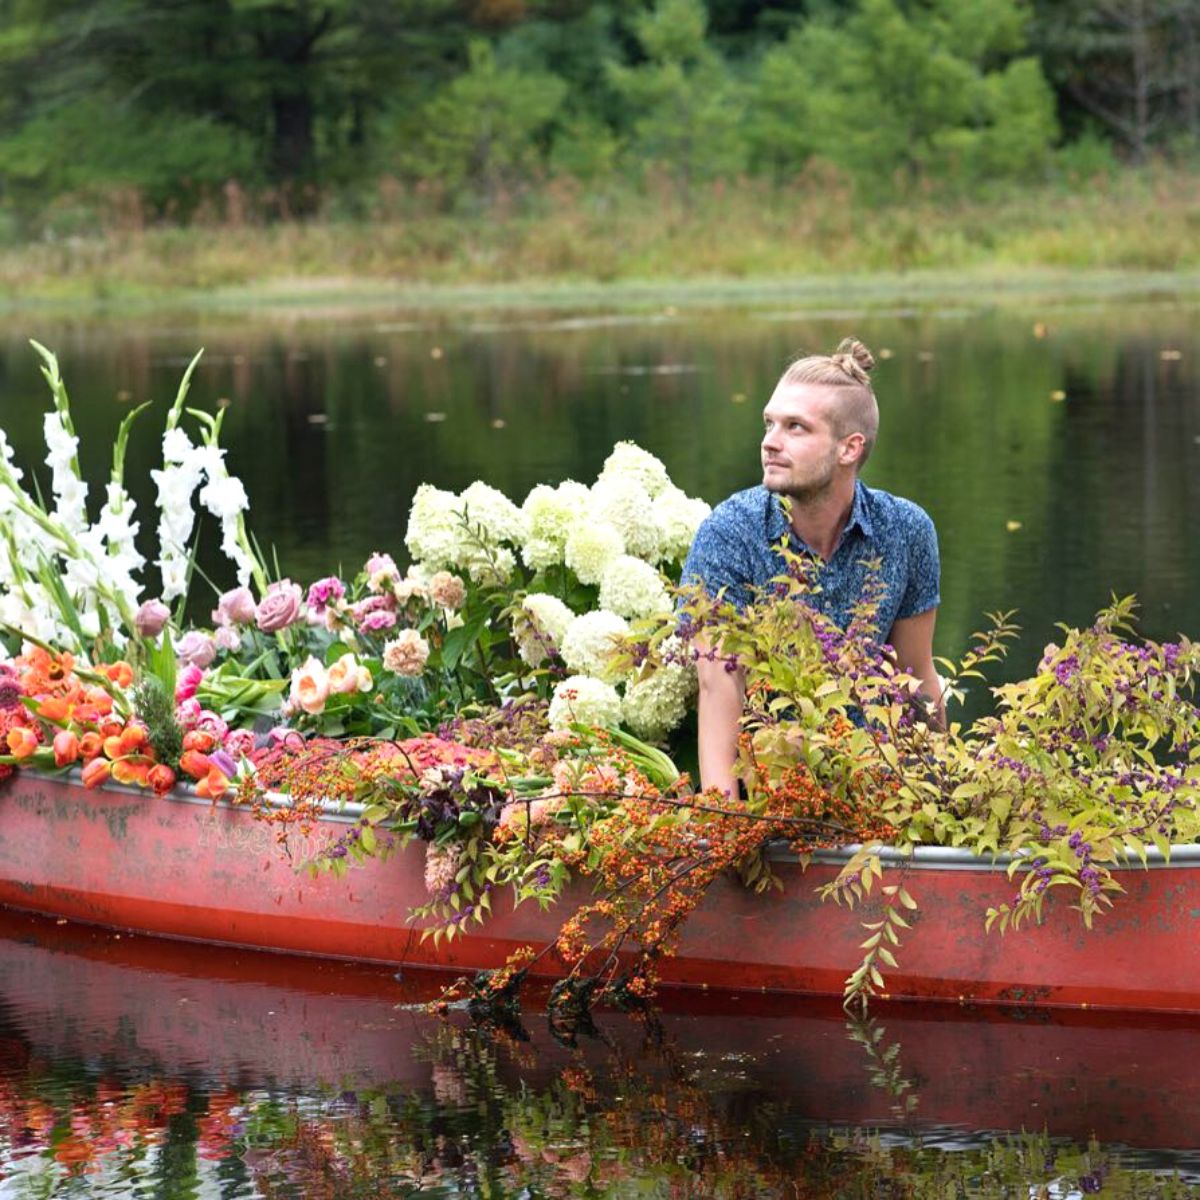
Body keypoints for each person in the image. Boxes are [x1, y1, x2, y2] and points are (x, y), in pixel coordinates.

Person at [681, 337, 942, 798]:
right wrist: (725, 825)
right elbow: (718, 683)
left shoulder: (906, 530)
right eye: (769, 423)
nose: (769, 442)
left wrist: (945, 797)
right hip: (769, 796)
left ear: (849, 448)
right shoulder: (728, 533)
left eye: (795, 428)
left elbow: (916, 678)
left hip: (875, 789)